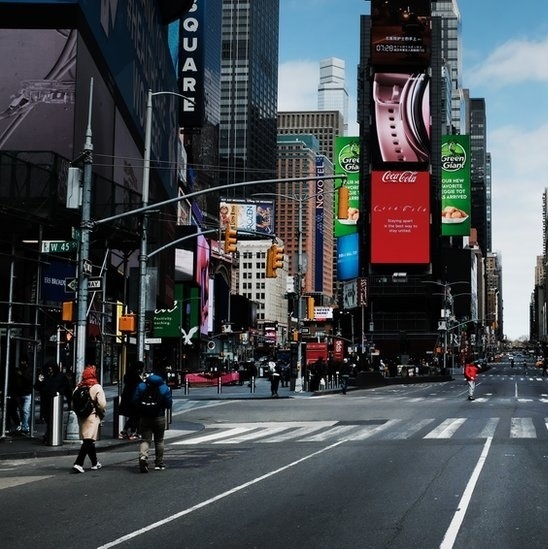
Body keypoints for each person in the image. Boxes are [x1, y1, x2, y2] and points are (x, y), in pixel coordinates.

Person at [133, 367, 172, 472]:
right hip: (159, 416)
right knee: (159, 440)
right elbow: (168, 404)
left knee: (145, 440)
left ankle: (143, 458)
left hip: (145, 417)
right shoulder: (164, 388)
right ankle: (159, 463)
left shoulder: (141, 386)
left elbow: (135, 400)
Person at [71, 364, 106, 473]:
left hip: (81, 416)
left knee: (89, 439)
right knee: (88, 439)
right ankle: (78, 463)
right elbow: (102, 404)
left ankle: (95, 463)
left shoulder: (78, 386)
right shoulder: (96, 386)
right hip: (92, 415)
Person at [35, 361, 72, 443]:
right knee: (48, 418)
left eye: (51, 368)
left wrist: (59, 393)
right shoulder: (45, 376)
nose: (50, 370)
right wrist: (39, 381)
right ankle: (49, 434)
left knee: (53, 418)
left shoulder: (60, 376)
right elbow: (37, 387)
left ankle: (49, 435)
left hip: (55, 400)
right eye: (48, 368)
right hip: (46, 400)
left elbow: (66, 388)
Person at [118, 361, 143, 440]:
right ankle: (133, 432)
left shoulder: (128, 376)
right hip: (134, 399)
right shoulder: (136, 378)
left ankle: (125, 431)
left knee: (132, 416)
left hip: (127, 398)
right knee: (135, 416)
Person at [9, 357, 33, 435]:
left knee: (25, 410)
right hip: (19, 393)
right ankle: (23, 425)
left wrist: (22, 375)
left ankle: (25, 427)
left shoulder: (29, 370)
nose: (22, 363)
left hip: (26, 393)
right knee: (22, 410)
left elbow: (30, 380)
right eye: (21, 361)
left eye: (24, 361)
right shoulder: (17, 371)